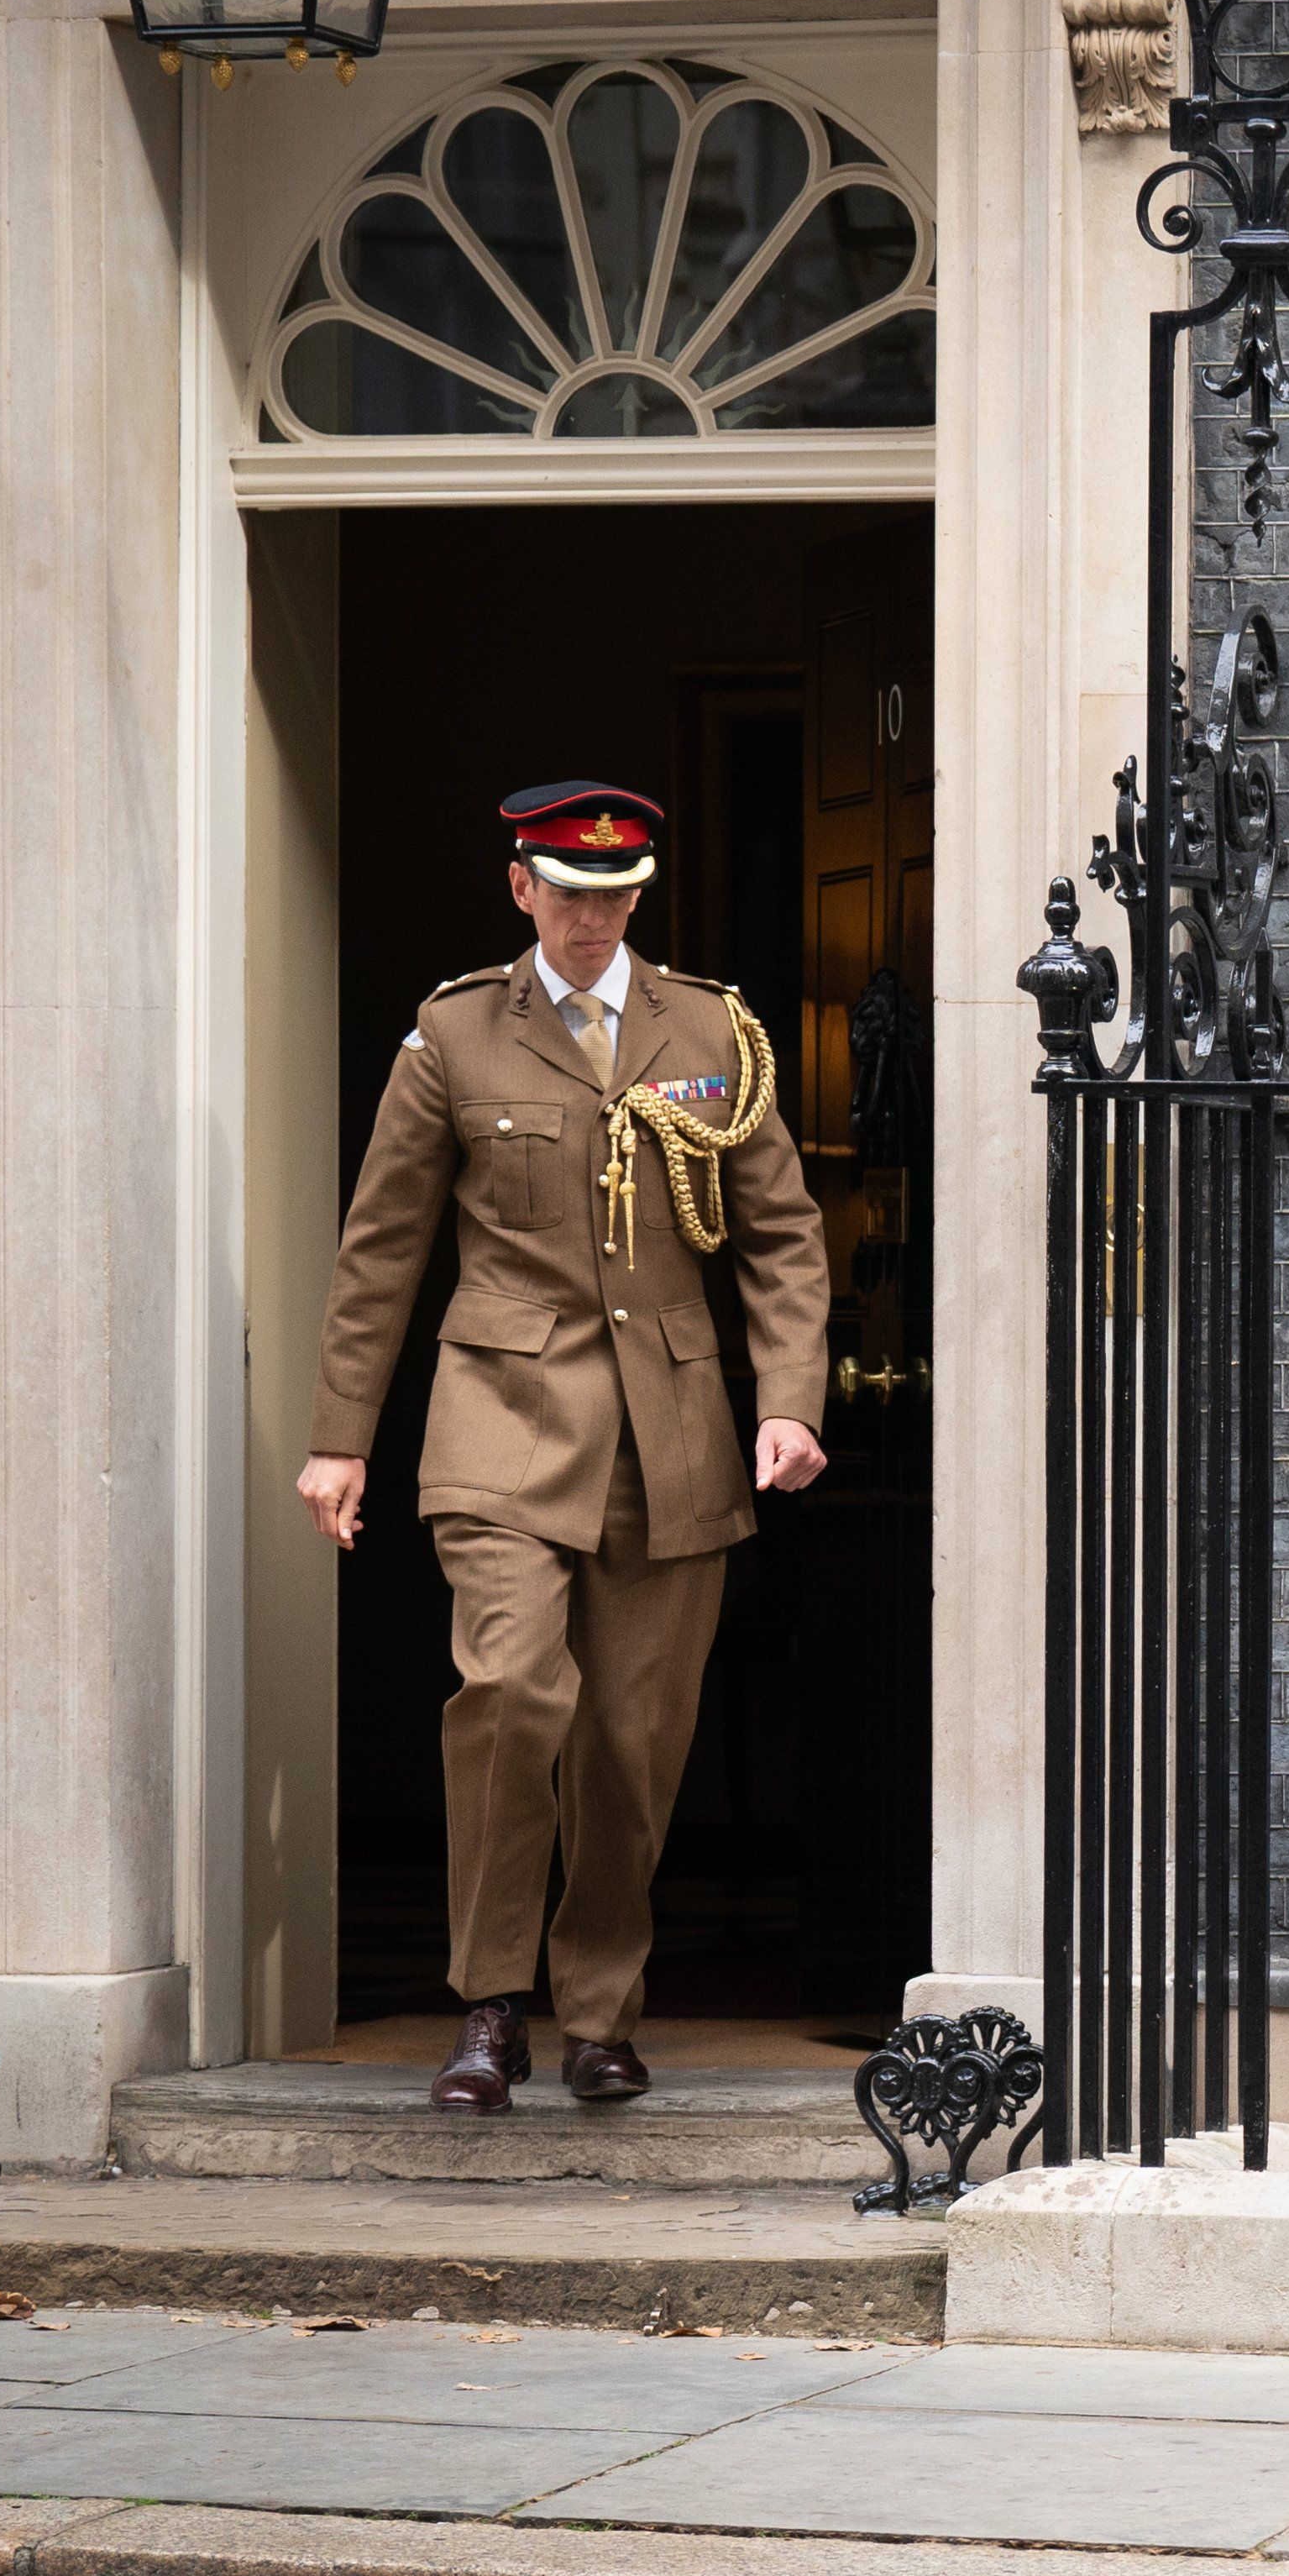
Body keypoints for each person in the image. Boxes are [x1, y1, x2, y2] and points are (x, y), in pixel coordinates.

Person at [297, 783, 832, 2114]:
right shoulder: (454, 1033)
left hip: (674, 1427)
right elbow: (382, 1249)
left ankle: (599, 2013)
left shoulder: (713, 1031)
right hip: (501, 1418)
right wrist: (339, 1439)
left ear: (640, 896)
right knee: (514, 1694)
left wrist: (791, 1398)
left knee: (633, 1741)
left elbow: (780, 1233)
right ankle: (487, 2002)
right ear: (521, 887)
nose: (596, 917)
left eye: (618, 894)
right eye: (571, 892)